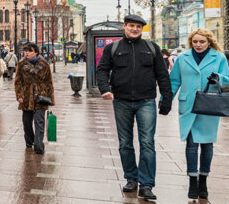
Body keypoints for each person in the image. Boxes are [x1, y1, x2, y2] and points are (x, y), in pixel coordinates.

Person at [96, 14, 173, 201]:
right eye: (131, 26)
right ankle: (131, 178)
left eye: (138, 26)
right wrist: (105, 89)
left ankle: (146, 184)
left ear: (142, 29)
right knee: (125, 142)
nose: (135, 29)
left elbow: (162, 75)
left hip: (146, 100)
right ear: (124, 26)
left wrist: (167, 98)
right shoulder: (113, 48)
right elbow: (102, 70)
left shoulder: (151, 48)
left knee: (147, 142)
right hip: (121, 100)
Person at [168, 28, 229, 199]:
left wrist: (218, 77)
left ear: (209, 41)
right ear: (190, 42)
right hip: (189, 105)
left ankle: (203, 180)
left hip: (209, 104)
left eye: (202, 41)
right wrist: (165, 101)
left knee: (207, 144)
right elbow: (174, 81)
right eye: (195, 42)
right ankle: (192, 181)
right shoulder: (183, 58)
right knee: (192, 143)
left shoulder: (219, 57)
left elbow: (227, 80)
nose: (198, 45)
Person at [15, 43, 54, 154]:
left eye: (30, 51)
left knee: (39, 122)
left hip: (41, 97)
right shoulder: (21, 64)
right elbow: (18, 81)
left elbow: (49, 82)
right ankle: (29, 141)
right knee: (27, 123)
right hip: (26, 96)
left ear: (36, 52)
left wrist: (50, 98)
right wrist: (19, 95)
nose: (27, 53)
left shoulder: (44, 64)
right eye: (25, 51)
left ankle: (38, 145)